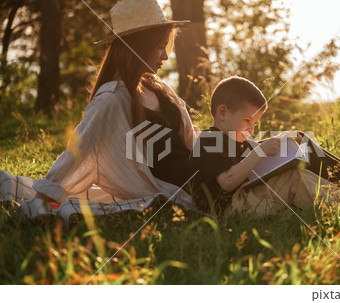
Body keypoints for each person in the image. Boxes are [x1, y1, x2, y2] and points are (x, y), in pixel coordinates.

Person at [11, 0, 199, 209]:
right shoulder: (111, 99)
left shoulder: (158, 88)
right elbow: (77, 151)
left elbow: (189, 141)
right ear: (138, 45)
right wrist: (41, 200)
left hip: (202, 170)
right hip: (184, 188)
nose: (165, 55)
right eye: (159, 47)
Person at [189, 76, 340, 218]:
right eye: (247, 121)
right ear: (222, 113)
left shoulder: (234, 139)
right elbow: (227, 182)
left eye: (255, 124)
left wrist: (282, 140)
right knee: (297, 180)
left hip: (245, 197)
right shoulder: (209, 140)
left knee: (304, 150)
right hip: (228, 211)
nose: (251, 129)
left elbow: (249, 155)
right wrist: (259, 151)